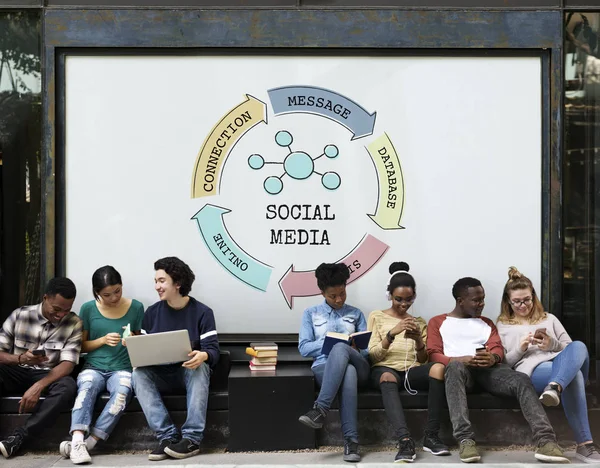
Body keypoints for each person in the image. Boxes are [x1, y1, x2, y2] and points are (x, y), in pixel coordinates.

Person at [427, 277, 568, 464]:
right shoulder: (438, 322)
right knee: (453, 368)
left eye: (483, 299)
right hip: (459, 372)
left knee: (521, 379)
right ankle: (465, 440)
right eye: (476, 300)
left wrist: (492, 358)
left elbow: (497, 349)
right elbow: (433, 354)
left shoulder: (487, 323)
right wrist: (461, 359)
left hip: (488, 372)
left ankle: (546, 441)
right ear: (460, 301)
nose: (482, 304)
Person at [497, 266, 600, 463]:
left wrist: (551, 344)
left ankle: (555, 387)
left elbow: (572, 350)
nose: (522, 305)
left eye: (526, 300)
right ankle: (585, 445)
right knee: (575, 376)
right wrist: (521, 348)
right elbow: (505, 364)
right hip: (533, 371)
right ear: (508, 302)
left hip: (561, 365)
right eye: (516, 301)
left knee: (579, 345)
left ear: (533, 296)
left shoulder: (549, 318)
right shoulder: (502, 326)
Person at [132, 257, 219, 461]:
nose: (157, 287)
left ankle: (191, 439)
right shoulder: (152, 313)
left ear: (177, 283)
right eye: (156, 281)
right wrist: (134, 346)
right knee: (138, 374)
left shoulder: (203, 313)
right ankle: (167, 437)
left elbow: (213, 350)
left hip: (188, 373)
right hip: (161, 374)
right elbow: (144, 350)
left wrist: (203, 355)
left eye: (161, 281)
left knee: (200, 367)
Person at [59, 266, 144, 464]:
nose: (114, 297)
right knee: (86, 389)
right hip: (94, 367)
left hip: (123, 368)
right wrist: (103, 340)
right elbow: (80, 346)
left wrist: (131, 339)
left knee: (121, 395)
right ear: (96, 292)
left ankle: (90, 443)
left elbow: (140, 345)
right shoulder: (88, 309)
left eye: (118, 291)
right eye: (107, 294)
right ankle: (78, 439)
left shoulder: (137, 307)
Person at [367, 261, 449, 462]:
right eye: (398, 299)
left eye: (409, 299)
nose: (404, 304)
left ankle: (431, 436)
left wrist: (419, 342)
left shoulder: (419, 322)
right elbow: (372, 356)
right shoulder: (376, 316)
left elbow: (423, 360)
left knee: (438, 368)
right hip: (385, 370)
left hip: (411, 371)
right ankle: (404, 440)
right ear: (389, 296)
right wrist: (391, 334)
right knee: (387, 376)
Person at [0, 277, 82, 459]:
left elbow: (68, 364)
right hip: (16, 370)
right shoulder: (20, 315)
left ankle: (19, 438)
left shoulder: (74, 323)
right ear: (45, 298)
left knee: (68, 386)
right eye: (56, 309)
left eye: (66, 310)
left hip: (47, 375)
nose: (61, 315)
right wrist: (20, 358)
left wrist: (38, 386)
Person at [298, 262, 370, 463]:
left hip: (360, 365)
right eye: (333, 296)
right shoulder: (310, 314)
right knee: (347, 371)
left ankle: (320, 409)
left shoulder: (356, 314)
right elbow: (304, 348)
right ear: (322, 292)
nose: (339, 299)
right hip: (325, 367)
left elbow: (366, 353)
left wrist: (351, 347)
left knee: (343, 352)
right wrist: (330, 339)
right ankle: (351, 441)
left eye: (342, 294)